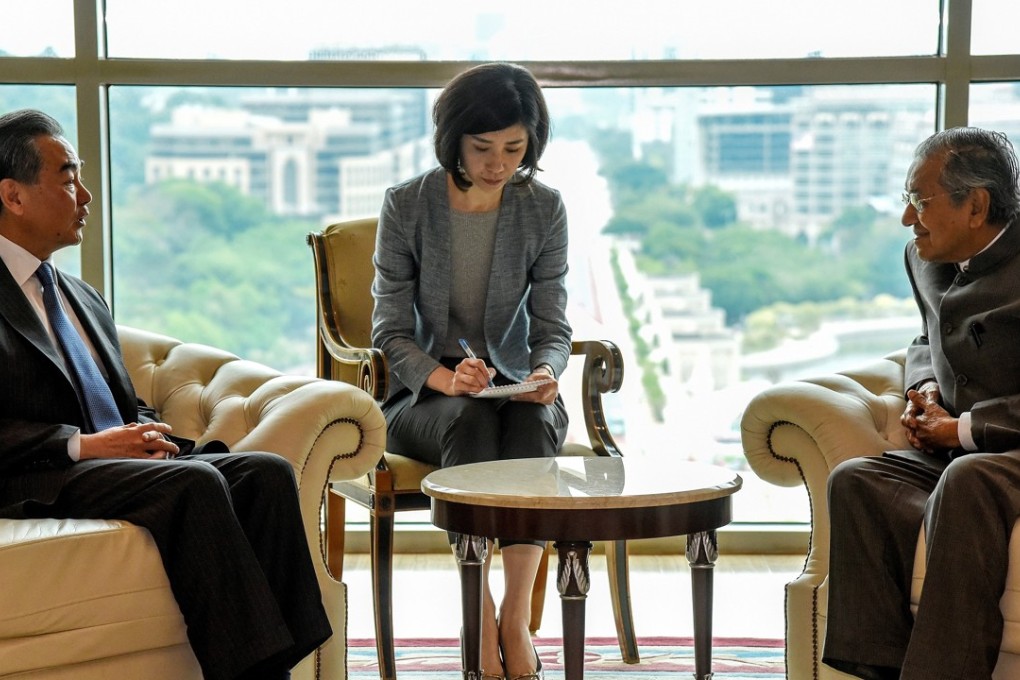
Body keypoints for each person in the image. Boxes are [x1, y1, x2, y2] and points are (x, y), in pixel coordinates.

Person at [0, 109, 331, 680]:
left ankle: (286, 668)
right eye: (67, 177)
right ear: (13, 195)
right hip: (34, 474)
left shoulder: (78, 294)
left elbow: (116, 400)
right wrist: (84, 446)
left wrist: (148, 435)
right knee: (196, 483)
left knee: (264, 473)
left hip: (105, 465)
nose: (85, 195)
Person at [371, 62, 571, 680]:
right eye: (483, 148)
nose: (498, 164)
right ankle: (478, 614)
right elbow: (389, 334)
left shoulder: (544, 209)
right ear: (453, 138)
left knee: (533, 425)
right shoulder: (407, 206)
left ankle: (514, 617)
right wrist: (443, 376)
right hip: (424, 394)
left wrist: (544, 371)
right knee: (470, 422)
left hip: (511, 383)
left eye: (514, 149)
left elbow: (553, 325)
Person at [822, 127, 1020, 680]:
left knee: (968, 481)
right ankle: (878, 670)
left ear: (976, 205)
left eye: (919, 202)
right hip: (957, 452)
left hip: (1001, 454)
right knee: (856, 481)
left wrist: (960, 430)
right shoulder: (925, 259)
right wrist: (924, 392)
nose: (908, 219)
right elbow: (924, 341)